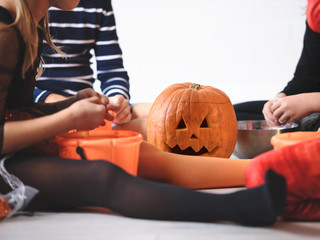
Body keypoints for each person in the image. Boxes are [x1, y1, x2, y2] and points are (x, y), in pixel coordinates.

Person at [0, 0, 287, 225]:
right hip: (8, 159)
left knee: (141, 152)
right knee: (103, 177)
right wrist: (69, 117)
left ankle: (267, 171)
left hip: (27, 140)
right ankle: (242, 207)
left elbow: (15, 110)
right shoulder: (5, 31)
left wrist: (72, 103)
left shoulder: (32, 25)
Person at [33, 0, 151, 125]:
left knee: (159, 114)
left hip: (86, 106)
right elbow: (15, 86)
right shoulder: (31, 7)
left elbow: (112, 70)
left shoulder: (99, 4)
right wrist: (53, 100)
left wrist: (117, 100)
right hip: (41, 107)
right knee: (144, 129)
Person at [233, 19, 320, 131]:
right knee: (232, 114)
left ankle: (304, 132)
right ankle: (311, 133)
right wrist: (280, 100)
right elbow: (308, 78)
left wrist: (313, 102)